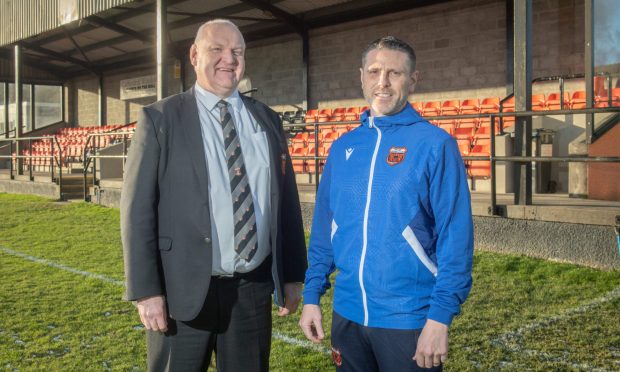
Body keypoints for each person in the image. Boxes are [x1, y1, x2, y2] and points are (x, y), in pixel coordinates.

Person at [121, 19, 307, 371]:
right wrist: (146, 291)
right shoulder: (160, 119)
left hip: (251, 290)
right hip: (181, 292)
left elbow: (286, 203)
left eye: (237, 51)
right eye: (217, 50)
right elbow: (137, 211)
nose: (229, 59)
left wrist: (293, 273)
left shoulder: (266, 120)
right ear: (194, 55)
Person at [299, 36, 473, 371]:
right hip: (346, 314)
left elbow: (456, 239)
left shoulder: (436, 145)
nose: (383, 82)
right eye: (375, 71)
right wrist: (311, 295)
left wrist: (439, 318)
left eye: (394, 73)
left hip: (407, 317)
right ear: (361, 75)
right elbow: (325, 229)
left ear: (413, 80)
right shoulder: (342, 148)